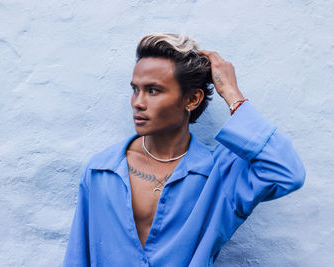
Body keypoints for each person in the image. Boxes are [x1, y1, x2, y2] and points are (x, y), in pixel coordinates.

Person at [63, 33, 305, 266]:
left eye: (153, 90)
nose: (138, 102)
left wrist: (232, 94)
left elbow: (287, 173)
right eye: (135, 89)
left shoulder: (220, 175)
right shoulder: (101, 171)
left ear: (192, 100)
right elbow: (77, 258)